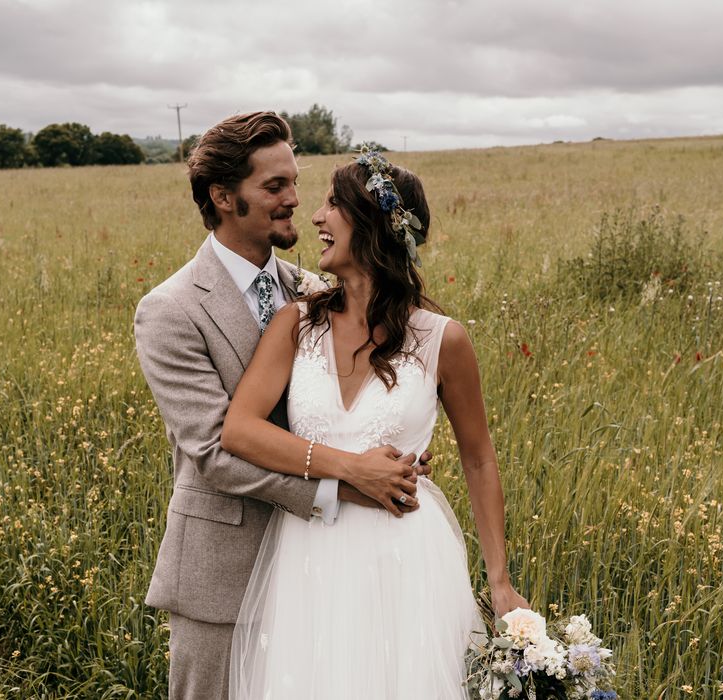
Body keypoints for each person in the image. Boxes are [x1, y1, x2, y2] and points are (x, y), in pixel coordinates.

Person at [134, 113, 428, 700]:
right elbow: (215, 450)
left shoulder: (316, 292)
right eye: (274, 187)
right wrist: (349, 483)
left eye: (295, 182)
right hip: (222, 577)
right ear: (223, 197)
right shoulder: (170, 310)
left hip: (322, 575)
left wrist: (395, 453)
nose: (295, 200)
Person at [221, 146, 529, 699]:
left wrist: (499, 580)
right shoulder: (297, 323)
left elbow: (479, 457)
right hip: (309, 553)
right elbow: (240, 429)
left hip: (405, 555)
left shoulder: (442, 339)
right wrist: (349, 471)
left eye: (332, 203)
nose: (314, 216)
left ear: (374, 224)